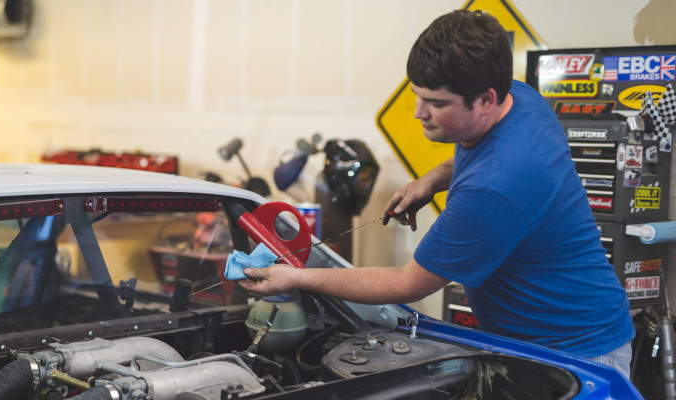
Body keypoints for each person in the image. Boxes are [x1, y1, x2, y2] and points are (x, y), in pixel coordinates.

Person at [238, 9, 635, 378]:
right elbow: (479, 157)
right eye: (417, 94)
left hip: (575, 356)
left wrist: (298, 278)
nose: (418, 112)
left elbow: (408, 283)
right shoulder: (521, 100)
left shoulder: (492, 190)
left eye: (436, 103)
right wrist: (430, 180)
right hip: (535, 340)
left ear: (486, 99)